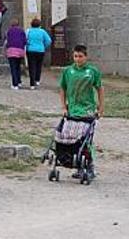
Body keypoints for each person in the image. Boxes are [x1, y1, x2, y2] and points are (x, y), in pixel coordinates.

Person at [59, 44, 104, 174]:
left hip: (88, 110)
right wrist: (63, 106)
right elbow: (63, 89)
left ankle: (89, 165)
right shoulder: (68, 71)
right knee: (72, 137)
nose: (78, 59)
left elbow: (100, 89)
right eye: (75, 56)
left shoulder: (92, 71)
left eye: (80, 56)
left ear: (86, 57)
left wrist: (101, 108)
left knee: (86, 138)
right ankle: (76, 164)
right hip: (73, 109)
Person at [25, 18, 52, 89]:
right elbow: (49, 40)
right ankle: (37, 80)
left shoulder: (29, 31)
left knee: (31, 67)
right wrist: (44, 46)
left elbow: (25, 39)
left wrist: (28, 45)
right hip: (40, 50)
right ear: (39, 25)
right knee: (39, 66)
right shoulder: (42, 31)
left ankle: (32, 84)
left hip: (30, 50)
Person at [3, 20, 27, 89]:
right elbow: (25, 41)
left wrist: (5, 50)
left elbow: (6, 41)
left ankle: (15, 84)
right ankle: (19, 82)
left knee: (13, 68)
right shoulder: (22, 31)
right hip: (20, 51)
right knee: (18, 67)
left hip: (11, 51)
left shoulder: (8, 31)